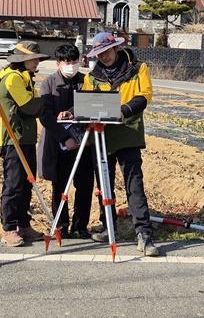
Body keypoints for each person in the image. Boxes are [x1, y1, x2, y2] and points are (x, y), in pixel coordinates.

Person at [82, 32, 159, 257]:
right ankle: (109, 226)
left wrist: (123, 111)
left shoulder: (137, 69)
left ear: (115, 48)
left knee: (134, 185)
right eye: (99, 54)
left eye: (106, 52)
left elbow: (144, 96)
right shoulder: (92, 77)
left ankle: (144, 234)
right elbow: (87, 102)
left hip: (128, 133)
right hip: (102, 137)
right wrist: (74, 111)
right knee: (104, 186)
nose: (103, 57)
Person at [37, 44, 94, 239]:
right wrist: (65, 137)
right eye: (67, 62)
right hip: (59, 143)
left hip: (84, 142)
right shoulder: (49, 83)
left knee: (85, 185)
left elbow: (91, 105)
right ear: (58, 63)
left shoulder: (85, 81)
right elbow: (45, 116)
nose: (71, 66)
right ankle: (60, 226)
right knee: (60, 185)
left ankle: (80, 226)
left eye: (74, 61)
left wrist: (72, 112)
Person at [0, 41, 49, 247]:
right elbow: (30, 107)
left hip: (25, 138)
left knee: (27, 183)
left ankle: (23, 224)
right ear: (23, 60)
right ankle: (9, 228)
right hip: (13, 139)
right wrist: (44, 102)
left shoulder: (25, 77)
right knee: (14, 183)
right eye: (33, 59)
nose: (37, 63)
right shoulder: (13, 78)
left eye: (37, 59)